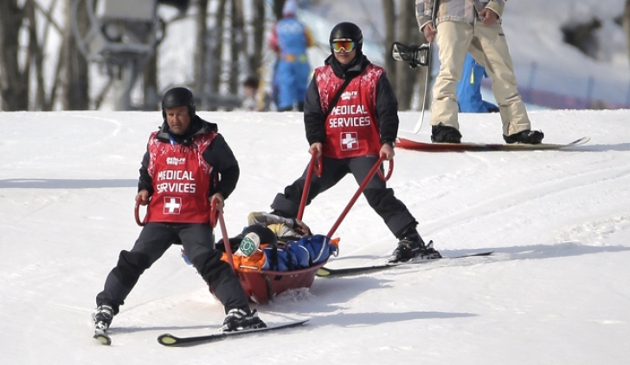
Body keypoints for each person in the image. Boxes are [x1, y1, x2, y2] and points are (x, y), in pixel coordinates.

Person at [92, 87, 265, 334]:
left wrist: (220, 193)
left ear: (191, 112)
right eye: (170, 114)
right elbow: (147, 172)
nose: (175, 120)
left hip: (194, 217)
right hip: (160, 215)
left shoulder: (210, 141)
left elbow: (231, 170)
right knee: (135, 259)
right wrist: (144, 189)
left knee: (208, 262)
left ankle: (239, 311)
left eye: (180, 113)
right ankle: (106, 305)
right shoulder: (156, 141)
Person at [269, 22, 441, 263]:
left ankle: (411, 240)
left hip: (365, 151)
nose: (342, 50)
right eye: (337, 45)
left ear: (357, 45)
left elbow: (387, 111)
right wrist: (315, 140)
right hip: (331, 152)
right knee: (303, 188)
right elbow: (313, 114)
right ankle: (275, 227)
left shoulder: (374, 77)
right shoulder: (321, 78)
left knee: (377, 195)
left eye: (347, 44)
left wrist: (387, 141)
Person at [416, 0, 544, 144]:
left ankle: (516, 127)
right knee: (450, 70)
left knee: (503, 71)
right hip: (451, 13)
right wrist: (425, 19)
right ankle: (443, 125)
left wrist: (495, 6)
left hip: (485, 15)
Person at [268, 0, 314, 111]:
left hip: (286, 59)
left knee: (286, 84)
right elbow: (311, 42)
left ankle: (285, 107)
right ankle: (303, 106)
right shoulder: (302, 26)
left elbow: (273, 44)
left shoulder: (278, 26)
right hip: (302, 60)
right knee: (302, 83)